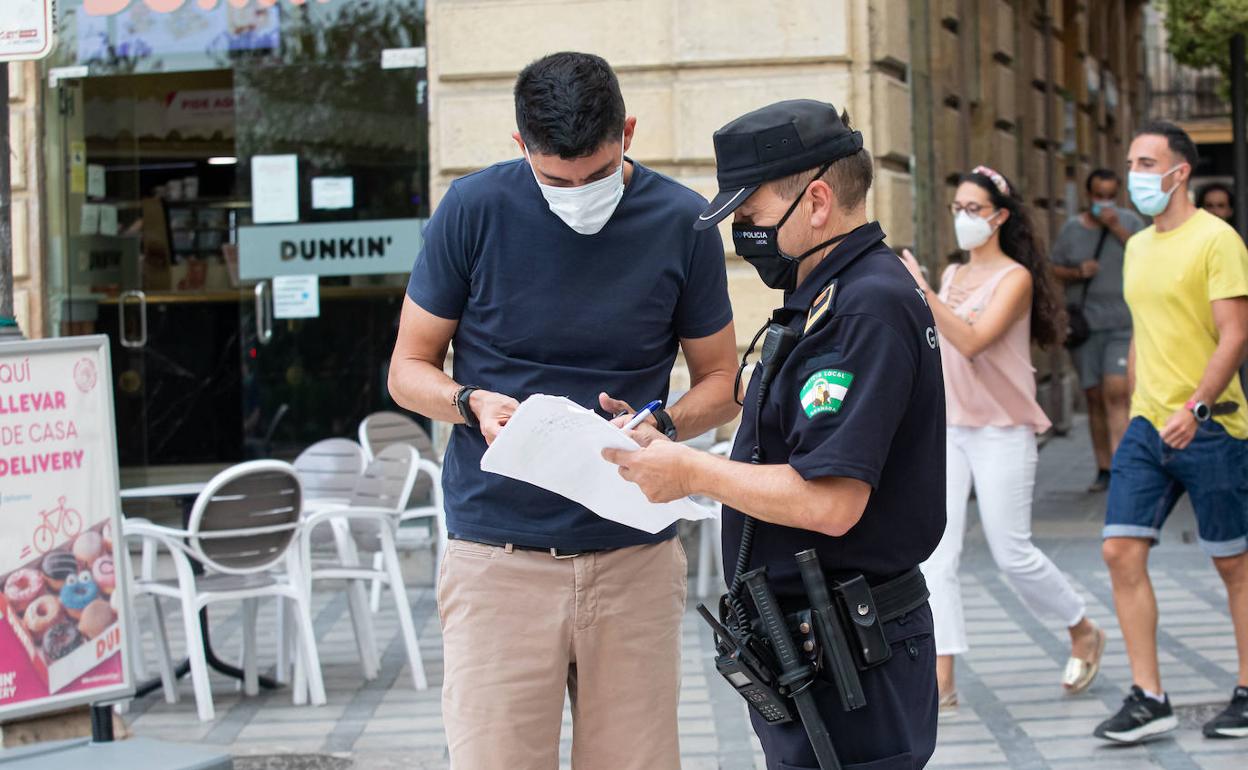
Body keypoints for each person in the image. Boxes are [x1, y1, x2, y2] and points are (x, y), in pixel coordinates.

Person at [387, 52, 740, 769]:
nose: (578, 193)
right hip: (498, 559)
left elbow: (721, 381)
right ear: (520, 146)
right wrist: (469, 403)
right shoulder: (473, 210)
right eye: (555, 180)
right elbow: (405, 369)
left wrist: (663, 425)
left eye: (597, 174)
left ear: (628, 133)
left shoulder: (682, 220)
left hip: (633, 560)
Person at [604, 99, 945, 769]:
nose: (742, 232)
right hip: (816, 647)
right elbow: (773, 420)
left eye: (752, 217)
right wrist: (665, 434)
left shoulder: (864, 307)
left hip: (853, 654)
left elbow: (829, 501)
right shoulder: (827, 297)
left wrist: (690, 473)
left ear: (816, 201)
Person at [901, 166, 1105, 713]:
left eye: (974, 208)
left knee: (1011, 552)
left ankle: (1082, 628)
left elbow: (970, 342)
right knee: (935, 558)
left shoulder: (1016, 279)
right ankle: (942, 679)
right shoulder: (950, 276)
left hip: (1002, 429)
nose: (964, 217)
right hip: (949, 428)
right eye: (957, 208)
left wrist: (920, 288)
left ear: (1000, 216)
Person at [1094, 121, 1248, 744]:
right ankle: (1148, 696)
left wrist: (1198, 408)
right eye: (1132, 160)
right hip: (1148, 426)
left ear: (1179, 172)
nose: (1135, 173)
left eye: (1146, 161)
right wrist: (1138, 404)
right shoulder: (1136, 246)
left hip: (1212, 427)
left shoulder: (1218, 240)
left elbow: (1235, 334)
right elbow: (1143, 331)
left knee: (1234, 564)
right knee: (1119, 550)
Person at [1050, 169, 1145, 492]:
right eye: (1098, 195)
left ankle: (1123, 466)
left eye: (1110, 196)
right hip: (1086, 326)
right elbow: (1053, 268)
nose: (1104, 202)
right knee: (1093, 397)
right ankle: (1104, 466)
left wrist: (1115, 227)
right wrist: (1078, 271)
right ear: (1088, 196)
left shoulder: (1130, 222)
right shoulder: (1072, 230)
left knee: (1117, 392)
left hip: (1123, 322)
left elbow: (1148, 257)